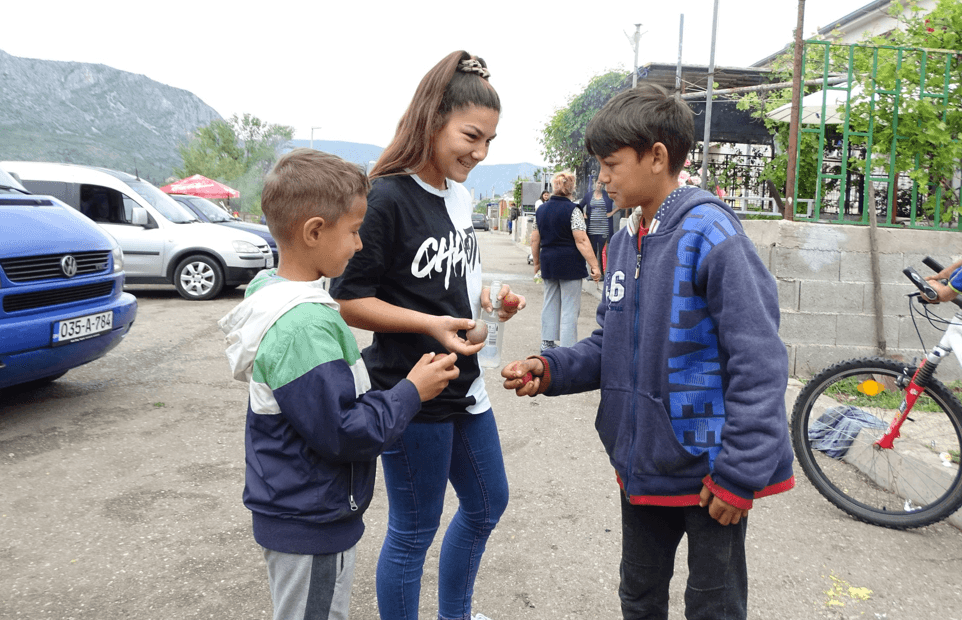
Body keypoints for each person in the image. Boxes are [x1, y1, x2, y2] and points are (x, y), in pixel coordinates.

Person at [502, 83, 794, 620]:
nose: (603, 178)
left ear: (658, 156)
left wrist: (738, 474)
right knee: (638, 598)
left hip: (710, 476)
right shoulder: (625, 238)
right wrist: (550, 367)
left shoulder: (711, 235)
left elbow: (759, 361)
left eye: (611, 164)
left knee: (713, 606)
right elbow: (611, 343)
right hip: (642, 467)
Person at [218, 148, 460, 620]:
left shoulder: (278, 294)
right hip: (310, 519)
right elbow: (343, 431)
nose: (360, 245)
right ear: (314, 231)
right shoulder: (303, 325)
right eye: (353, 232)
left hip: (303, 509)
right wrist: (411, 390)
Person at [330, 51, 524, 620]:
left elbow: (454, 288)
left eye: (490, 140)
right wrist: (428, 325)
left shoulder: (461, 197)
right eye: (471, 136)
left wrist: (489, 306)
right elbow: (349, 300)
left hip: (464, 384)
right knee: (414, 530)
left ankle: (454, 615)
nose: (480, 153)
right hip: (410, 389)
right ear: (433, 119)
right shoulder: (386, 195)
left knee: (488, 503)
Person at [530, 171, 601, 351]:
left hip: (548, 263)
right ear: (571, 188)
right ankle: (568, 348)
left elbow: (534, 239)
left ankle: (547, 343)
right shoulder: (573, 210)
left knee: (550, 302)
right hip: (570, 264)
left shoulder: (541, 210)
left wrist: (537, 263)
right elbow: (582, 240)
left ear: (554, 187)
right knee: (570, 307)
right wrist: (594, 265)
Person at [580, 178, 614, 273]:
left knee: (602, 252)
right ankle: (593, 273)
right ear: (595, 184)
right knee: (592, 251)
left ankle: (603, 273)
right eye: (598, 183)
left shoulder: (607, 195)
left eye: (602, 184)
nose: (600, 185)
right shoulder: (589, 195)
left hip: (604, 228)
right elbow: (579, 206)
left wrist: (612, 212)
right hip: (591, 229)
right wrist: (583, 214)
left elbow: (620, 202)